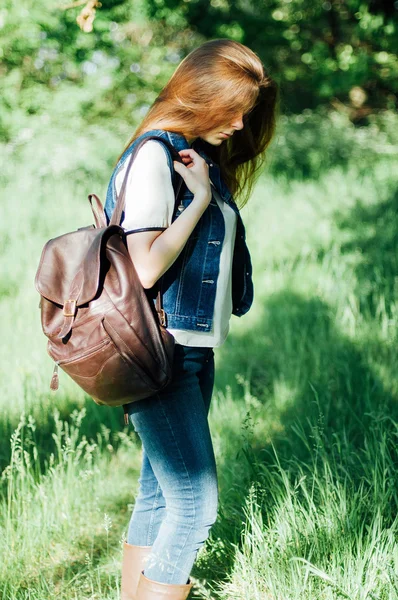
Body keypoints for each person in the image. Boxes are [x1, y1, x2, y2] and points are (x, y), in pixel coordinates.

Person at [103, 38, 278, 600]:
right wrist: (200, 201)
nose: (239, 122)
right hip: (162, 350)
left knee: (159, 495)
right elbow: (147, 267)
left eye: (246, 111)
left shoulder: (191, 156)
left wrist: (207, 188)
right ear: (199, 96)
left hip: (191, 348)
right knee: (195, 505)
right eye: (231, 108)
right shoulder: (157, 156)